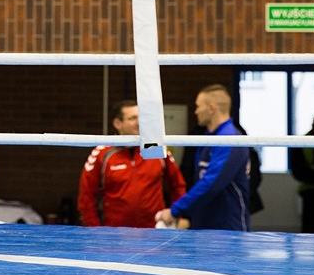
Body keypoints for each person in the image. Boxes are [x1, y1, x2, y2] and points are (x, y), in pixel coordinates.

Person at [155, 84, 251, 231]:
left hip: (228, 227)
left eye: (198, 106)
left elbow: (210, 184)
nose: (196, 111)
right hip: (207, 222)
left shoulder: (229, 139)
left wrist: (175, 210)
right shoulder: (210, 139)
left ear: (211, 108)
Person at [77, 100, 185, 228]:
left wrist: (177, 214)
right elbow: (86, 196)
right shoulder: (102, 153)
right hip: (114, 236)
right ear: (118, 123)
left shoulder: (157, 150)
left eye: (141, 117)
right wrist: (94, 230)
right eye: (133, 118)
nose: (139, 122)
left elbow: (178, 185)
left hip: (154, 233)